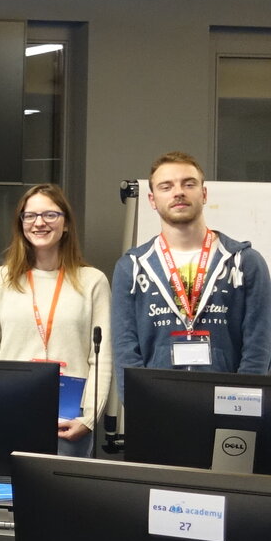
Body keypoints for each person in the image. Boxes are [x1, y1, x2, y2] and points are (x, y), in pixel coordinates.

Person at [112, 151, 271, 387]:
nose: (179, 192)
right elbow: (125, 350)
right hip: (157, 404)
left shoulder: (245, 262)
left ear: (204, 194)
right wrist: (140, 404)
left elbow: (258, 346)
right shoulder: (132, 267)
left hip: (227, 403)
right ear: (152, 200)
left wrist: (242, 405)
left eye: (189, 184)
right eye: (166, 186)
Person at [0, 184, 111, 455]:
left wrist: (90, 418)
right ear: (21, 223)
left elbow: (102, 358)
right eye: (30, 215)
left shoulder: (92, 281)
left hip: (70, 419)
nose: (39, 223)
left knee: (63, 496)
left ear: (67, 223)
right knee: (5, 496)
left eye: (50, 215)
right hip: (9, 411)